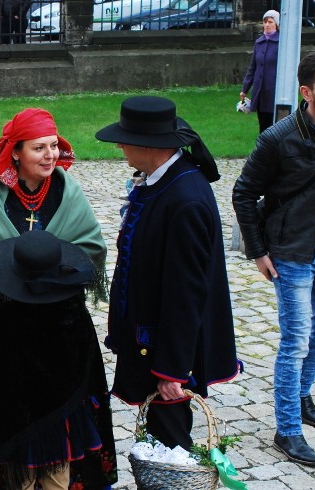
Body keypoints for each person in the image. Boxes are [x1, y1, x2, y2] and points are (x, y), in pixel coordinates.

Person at [0, 108, 117, 490]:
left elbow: (91, 248)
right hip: (2, 326)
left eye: (54, 146)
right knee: (8, 415)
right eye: (38, 147)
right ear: (16, 152)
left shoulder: (67, 192)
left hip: (60, 326)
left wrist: (51, 273)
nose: (49, 155)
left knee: (59, 414)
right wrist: (2, 272)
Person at [233, 50, 315, 466]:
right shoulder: (278, 137)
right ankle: (287, 429)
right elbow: (244, 193)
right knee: (295, 340)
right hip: (291, 252)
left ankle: (302, 393)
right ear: (307, 92)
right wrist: (258, 251)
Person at [95, 96, 239, 451]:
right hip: (152, 338)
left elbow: (186, 293)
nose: (119, 146)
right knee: (163, 440)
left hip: (166, 350)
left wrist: (172, 370)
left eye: (125, 139)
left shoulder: (184, 198)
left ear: (149, 145)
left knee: (171, 442)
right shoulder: (163, 181)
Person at [241, 10, 281, 133]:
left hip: (273, 91)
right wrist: (245, 89)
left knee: (274, 124)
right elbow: (253, 67)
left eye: (270, 22)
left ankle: (274, 151)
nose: (267, 25)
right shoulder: (259, 42)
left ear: (277, 24)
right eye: (265, 22)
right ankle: (264, 150)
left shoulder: (281, 43)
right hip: (260, 91)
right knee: (263, 125)